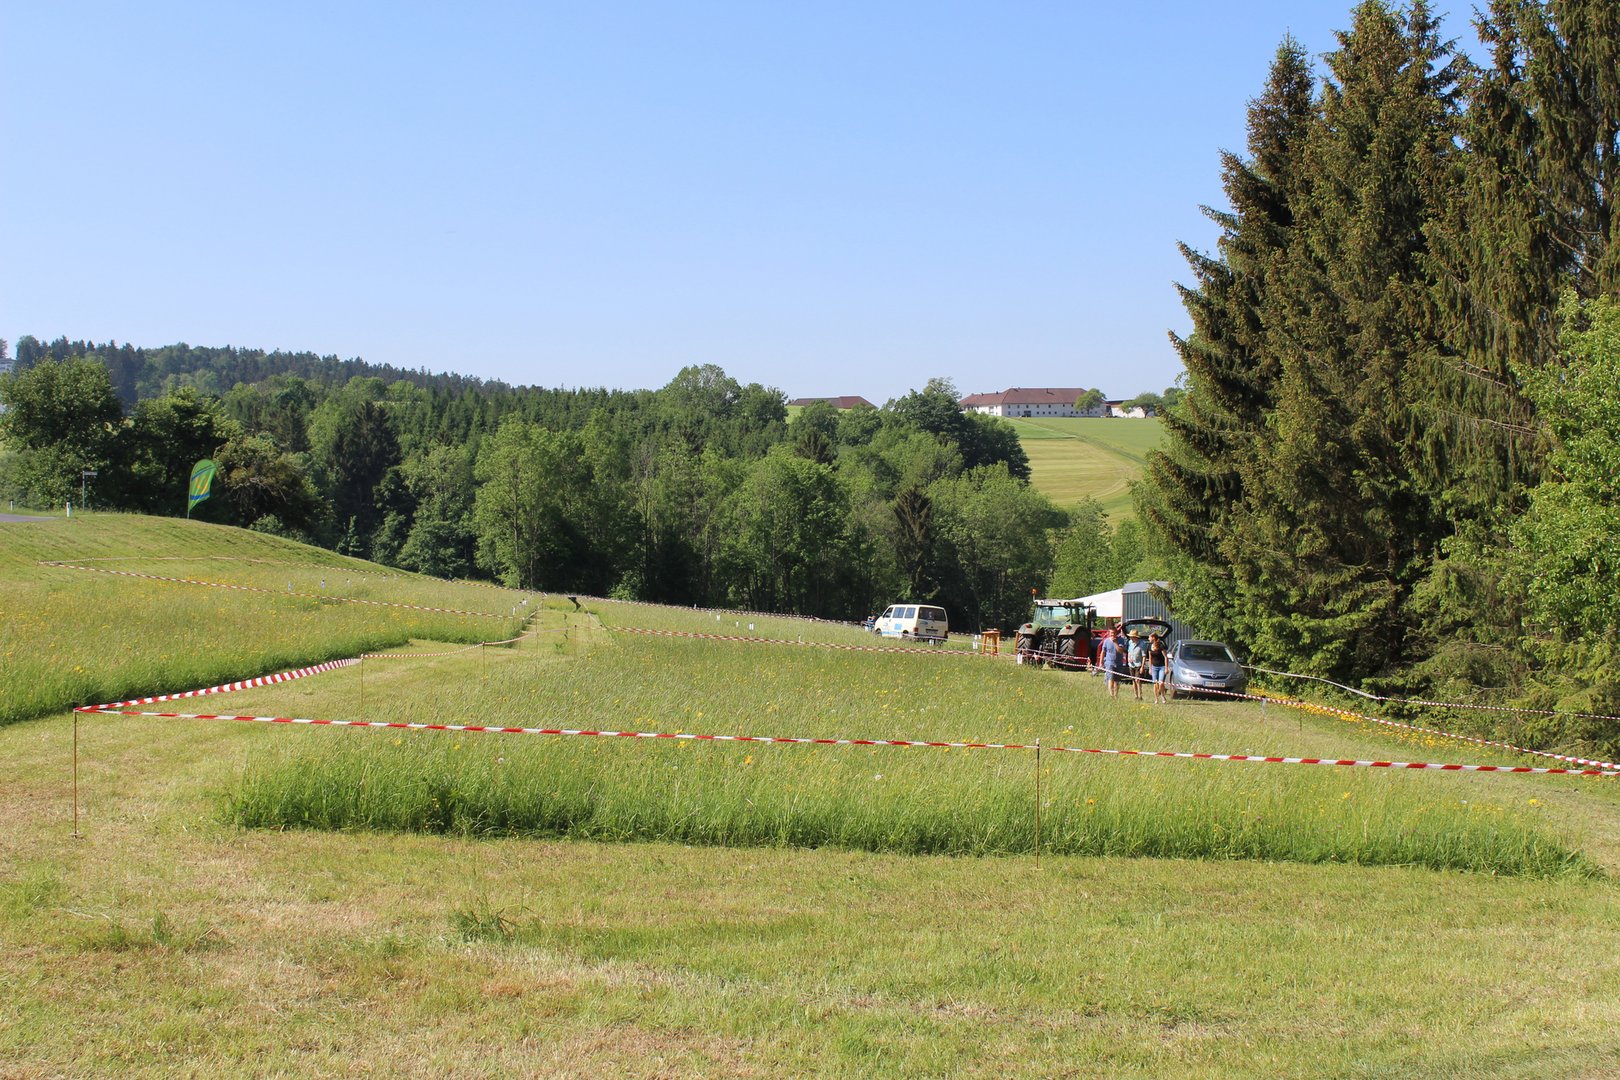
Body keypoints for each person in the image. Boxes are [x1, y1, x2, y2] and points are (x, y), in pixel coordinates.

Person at [1100, 628, 1125, 699]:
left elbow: (1120, 651)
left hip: (1118, 663)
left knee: (1116, 681)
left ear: (1116, 633)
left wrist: (1115, 643)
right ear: (1109, 633)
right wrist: (1101, 662)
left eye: (1114, 633)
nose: (1112, 634)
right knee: (1110, 679)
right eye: (1111, 633)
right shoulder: (1106, 641)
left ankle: (1116, 695)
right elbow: (1103, 652)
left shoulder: (1121, 640)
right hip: (1109, 663)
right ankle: (1111, 695)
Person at [1147, 631, 1168, 704]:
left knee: (1161, 683)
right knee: (1155, 683)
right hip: (1154, 667)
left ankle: (1163, 696)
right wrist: (1150, 668)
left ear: (1153, 638)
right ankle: (1156, 699)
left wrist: (1166, 668)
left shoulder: (1161, 646)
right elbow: (1150, 658)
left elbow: (1165, 657)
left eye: (1149, 637)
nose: (1148, 639)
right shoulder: (1149, 646)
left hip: (1162, 667)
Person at [1127, 630, 1146, 701]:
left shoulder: (1142, 644)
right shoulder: (1130, 642)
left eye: (1132, 637)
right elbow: (1129, 652)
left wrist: (1142, 667)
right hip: (1131, 664)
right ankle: (1136, 695)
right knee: (1133, 680)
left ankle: (1140, 696)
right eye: (1130, 637)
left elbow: (1144, 656)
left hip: (1138, 664)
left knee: (1137, 680)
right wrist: (1128, 658)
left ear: (1136, 637)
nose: (1131, 638)